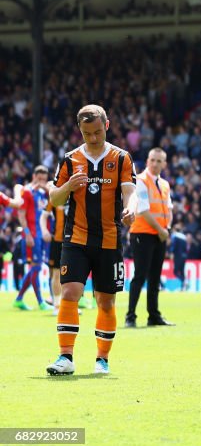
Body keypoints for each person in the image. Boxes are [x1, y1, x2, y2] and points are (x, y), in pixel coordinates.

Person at [46, 104, 138, 376]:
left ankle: (102, 359)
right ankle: (65, 357)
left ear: (106, 125)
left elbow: (130, 191)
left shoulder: (121, 158)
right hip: (76, 238)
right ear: (80, 130)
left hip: (109, 240)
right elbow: (55, 198)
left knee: (106, 302)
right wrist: (67, 187)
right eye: (87, 134)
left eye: (97, 132)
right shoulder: (70, 160)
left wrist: (131, 208)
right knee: (70, 293)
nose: (94, 138)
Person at [125, 148, 175, 328]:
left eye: (159, 161)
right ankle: (130, 316)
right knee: (140, 275)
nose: (155, 164)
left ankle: (153, 315)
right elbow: (143, 210)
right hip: (142, 233)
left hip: (158, 234)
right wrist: (162, 230)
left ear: (164, 164)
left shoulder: (164, 185)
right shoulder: (140, 181)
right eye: (152, 160)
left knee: (154, 277)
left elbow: (169, 209)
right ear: (147, 161)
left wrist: (166, 227)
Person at [13, 167, 50, 311]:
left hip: (40, 235)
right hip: (32, 236)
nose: (41, 182)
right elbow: (21, 214)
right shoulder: (27, 191)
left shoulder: (41, 193)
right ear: (33, 176)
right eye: (39, 178)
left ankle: (19, 299)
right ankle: (41, 302)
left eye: (43, 179)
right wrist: (27, 233)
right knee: (36, 267)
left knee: (36, 268)